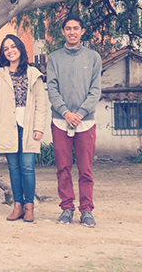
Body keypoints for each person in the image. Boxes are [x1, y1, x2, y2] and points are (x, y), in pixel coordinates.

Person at [47, 15, 101, 228]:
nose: (72, 32)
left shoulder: (93, 57)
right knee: (63, 167)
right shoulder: (54, 58)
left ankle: (86, 210)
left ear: (82, 31)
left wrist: (80, 113)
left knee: (86, 169)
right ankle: (67, 208)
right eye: (68, 28)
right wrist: (65, 112)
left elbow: (95, 89)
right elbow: (52, 88)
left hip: (85, 122)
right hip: (61, 121)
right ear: (63, 32)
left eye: (75, 28)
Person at [0, 35, 48, 223]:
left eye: (13, 47)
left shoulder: (33, 73)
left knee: (28, 167)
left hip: (29, 125)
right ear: (3, 53)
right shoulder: (0, 74)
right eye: (6, 48)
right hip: (6, 125)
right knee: (13, 168)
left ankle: (29, 207)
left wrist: (39, 127)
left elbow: (41, 103)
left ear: (21, 49)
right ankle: (17, 206)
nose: (10, 51)